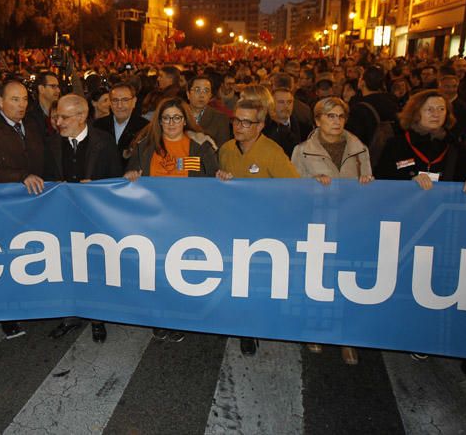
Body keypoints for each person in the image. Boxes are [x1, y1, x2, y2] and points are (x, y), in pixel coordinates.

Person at [124, 97, 220, 343]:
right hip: (154, 222)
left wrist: (223, 175)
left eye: (177, 117)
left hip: (188, 222)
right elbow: (131, 174)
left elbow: (210, 176)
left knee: (183, 272)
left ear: (185, 119)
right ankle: (161, 316)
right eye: (166, 118)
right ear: (159, 121)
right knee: (156, 272)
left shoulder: (199, 146)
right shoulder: (145, 146)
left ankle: (181, 317)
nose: (171, 122)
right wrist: (131, 174)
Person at [290, 97, 374, 366]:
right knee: (317, 279)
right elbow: (291, 188)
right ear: (317, 121)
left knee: (347, 281)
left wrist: (367, 182)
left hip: (350, 223)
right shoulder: (302, 151)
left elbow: (370, 185)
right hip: (318, 224)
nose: (336, 121)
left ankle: (346, 338)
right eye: (330, 116)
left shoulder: (359, 149)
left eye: (340, 116)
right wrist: (311, 182)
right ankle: (315, 329)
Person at [218, 99, 299, 356]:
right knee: (235, 281)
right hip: (232, 227)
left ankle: (249, 329)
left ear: (260, 126)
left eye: (246, 122)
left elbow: (294, 190)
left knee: (253, 283)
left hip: (263, 231)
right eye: (236, 120)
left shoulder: (272, 153)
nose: (238, 126)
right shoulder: (227, 149)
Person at [44, 94, 122, 343]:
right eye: (57, 116)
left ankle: (97, 318)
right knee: (66, 267)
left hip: (94, 220)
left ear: (81, 117)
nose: (58, 122)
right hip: (62, 219)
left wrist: (96, 188)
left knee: (93, 269)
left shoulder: (104, 143)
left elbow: (116, 180)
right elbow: (45, 176)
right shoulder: (52, 143)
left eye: (64, 117)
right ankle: (69, 316)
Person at [0, 80, 45, 340]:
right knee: (7, 260)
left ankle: (36, 303)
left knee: (33, 255)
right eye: (15, 99)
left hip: (36, 204)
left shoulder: (34, 124)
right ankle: (8, 316)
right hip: (4, 208)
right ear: (0, 102)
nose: (21, 104)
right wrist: (20, 176)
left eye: (24, 99)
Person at [375, 89, 466, 195]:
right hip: (405, 206)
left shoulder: (456, 147)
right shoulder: (396, 144)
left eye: (441, 109)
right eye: (429, 109)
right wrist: (408, 181)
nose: (436, 114)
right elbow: (381, 180)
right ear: (416, 113)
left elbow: (465, 179)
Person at [92, 83, 148, 169]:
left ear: (134, 102)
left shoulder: (145, 127)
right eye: (115, 100)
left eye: (125, 100)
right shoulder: (98, 126)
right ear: (110, 103)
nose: (120, 105)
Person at [186, 76, 231, 147]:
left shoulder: (220, 118)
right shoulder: (179, 115)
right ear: (188, 94)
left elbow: (223, 149)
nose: (202, 95)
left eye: (206, 91)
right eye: (197, 90)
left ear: (210, 96)